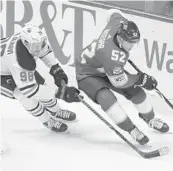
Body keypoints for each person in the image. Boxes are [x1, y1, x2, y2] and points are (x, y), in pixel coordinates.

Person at [75, 9, 169, 145]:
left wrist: (139, 82)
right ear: (120, 37)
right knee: (106, 98)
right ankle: (131, 130)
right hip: (87, 73)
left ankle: (150, 119)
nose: (132, 46)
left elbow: (113, 12)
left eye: (135, 42)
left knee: (137, 92)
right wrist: (140, 79)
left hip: (104, 67)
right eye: (130, 43)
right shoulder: (110, 55)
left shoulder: (119, 22)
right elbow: (120, 82)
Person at [0, 24, 80, 133]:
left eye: (40, 44)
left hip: (7, 63)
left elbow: (44, 51)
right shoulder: (21, 61)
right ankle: (46, 120)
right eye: (35, 46)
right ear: (26, 43)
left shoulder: (30, 40)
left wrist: (55, 68)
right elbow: (30, 92)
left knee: (43, 88)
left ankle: (56, 111)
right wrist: (59, 92)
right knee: (25, 98)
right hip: (2, 76)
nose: (38, 49)